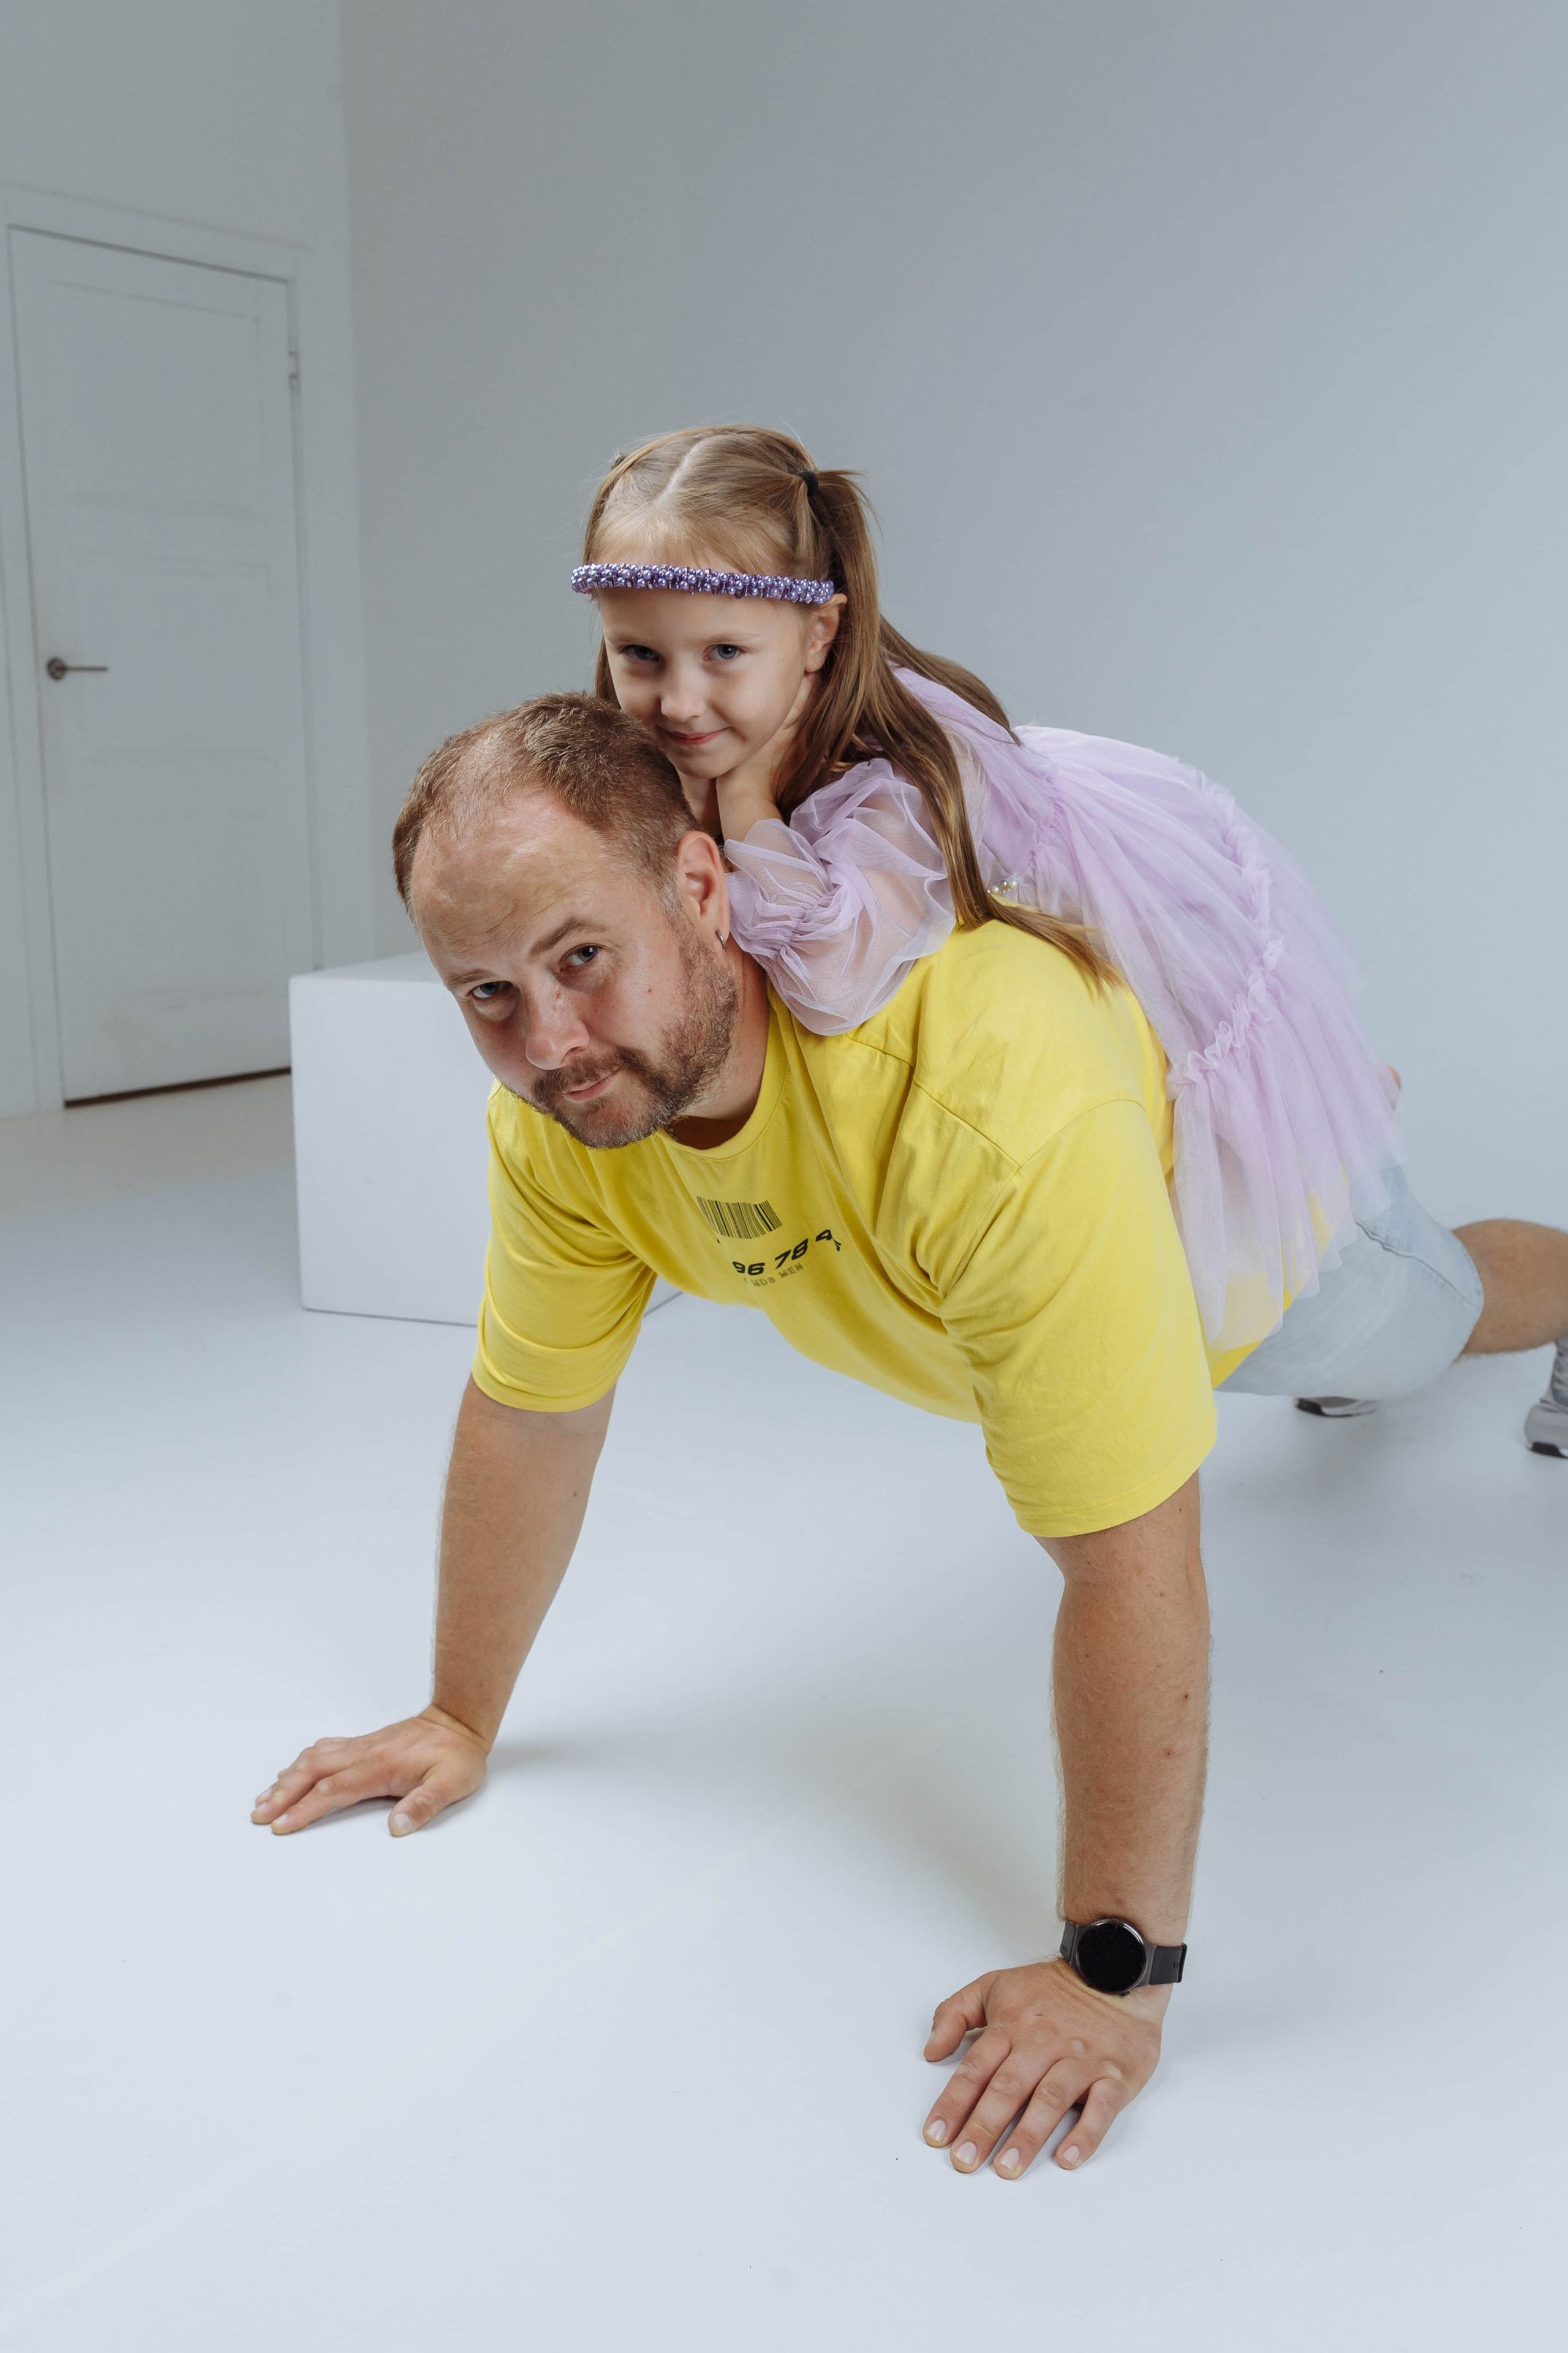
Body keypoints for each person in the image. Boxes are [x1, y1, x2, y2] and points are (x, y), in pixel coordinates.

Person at [254, 689, 1568, 2183]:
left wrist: (1108, 1976)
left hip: (1248, 1272)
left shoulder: (979, 1086)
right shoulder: (567, 1127)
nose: (548, 1043)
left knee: (1428, 1314)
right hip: (1071, 1282)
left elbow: (1128, 1552)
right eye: (485, 994)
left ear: (697, 884)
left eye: (578, 958)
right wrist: (456, 1713)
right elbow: (530, 1417)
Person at [570, 423, 1568, 1436]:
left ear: (820, 636)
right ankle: (1346, 1175)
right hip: (1086, 1129)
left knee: (1428, 1311)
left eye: (724, 654)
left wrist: (744, 801)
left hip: (1185, 1080)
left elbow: (830, 979)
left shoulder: (889, 784)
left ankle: (1378, 1181)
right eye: (639, 653)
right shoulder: (698, 745)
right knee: (1313, 1322)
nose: (680, 700)